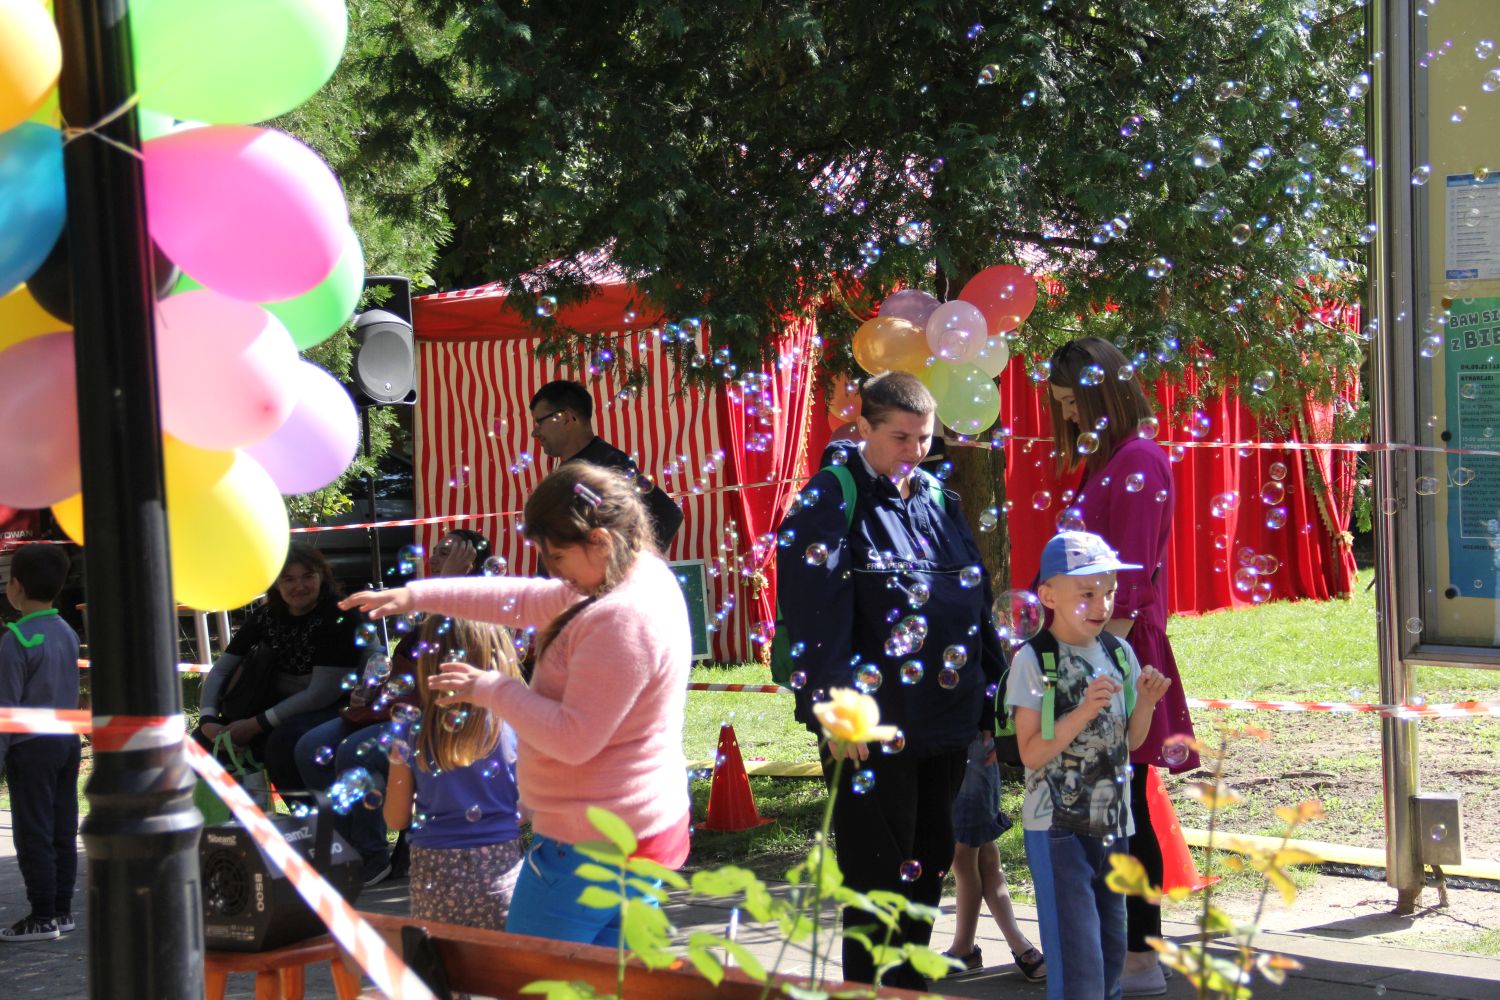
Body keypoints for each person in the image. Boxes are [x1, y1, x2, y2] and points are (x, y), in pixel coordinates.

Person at [341, 461, 692, 946]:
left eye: (557, 555)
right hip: (635, 827)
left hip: (591, 842)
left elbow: (573, 739)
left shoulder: (620, 618)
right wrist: (415, 596)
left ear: (601, 541)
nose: (550, 569)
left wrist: (492, 689)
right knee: (614, 981)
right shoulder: (633, 575)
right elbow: (523, 598)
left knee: (529, 976)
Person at [775, 371, 1004, 990]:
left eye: (924, 438)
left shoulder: (936, 496)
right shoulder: (831, 498)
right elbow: (812, 616)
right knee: (876, 876)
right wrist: (835, 711)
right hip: (871, 724)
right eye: (900, 437)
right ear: (864, 428)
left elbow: (972, 601)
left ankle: (910, 985)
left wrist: (987, 708)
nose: (914, 450)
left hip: (944, 719)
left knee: (928, 863)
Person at [1047, 336, 1199, 996]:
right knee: (1111, 806)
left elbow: (1128, 583)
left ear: (1100, 393)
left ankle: (1143, 955)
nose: (1070, 419)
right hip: (1096, 648)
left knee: (1129, 802)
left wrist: (1091, 664)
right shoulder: (1114, 458)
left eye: (1072, 405)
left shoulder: (1138, 459)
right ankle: (1123, 947)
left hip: (1117, 650)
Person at [1008, 531, 1171, 1000]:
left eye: (1109, 591)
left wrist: (1147, 705)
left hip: (1113, 821)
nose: (1102, 604)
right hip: (1057, 826)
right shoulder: (1034, 660)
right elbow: (1030, 753)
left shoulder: (1119, 653)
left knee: (1110, 955)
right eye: (1086, 593)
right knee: (1078, 961)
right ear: (1048, 596)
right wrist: (1080, 712)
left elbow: (1130, 742)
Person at [293, 528, 495, 886]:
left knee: (356, 752)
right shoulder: (433, 598)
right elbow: (404, 664)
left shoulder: (480, 600)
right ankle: (343, 850)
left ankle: (370, 857)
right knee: (309, 747)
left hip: (440, 716)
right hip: (396, 706)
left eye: (448, 552)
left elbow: (446, 645)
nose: (435, 557)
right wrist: (370, 692)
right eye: (436, 550)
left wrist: (450, 580)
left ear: (470, 562)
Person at [383, 615, 525, 931]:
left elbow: (396, 819)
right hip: (499, 875)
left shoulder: (410, 731)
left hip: (433, 881)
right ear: (497, 655)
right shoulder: (516, 723)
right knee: (500, 972)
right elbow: (527, 811)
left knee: (445, 969)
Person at [196, 546, 361, 792]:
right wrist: (208, 721)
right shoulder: (265, 615)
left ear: (322, 577)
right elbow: (221, 670)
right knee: (200, 744)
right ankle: (230, 824)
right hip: (273, 709)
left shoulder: (339, 614)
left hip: (336, 706)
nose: (299, 586)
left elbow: (321, 693)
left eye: (308, 576)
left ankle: (311, 825)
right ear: (275, 584)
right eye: (288, 579)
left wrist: (253, 726)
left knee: (282, 744)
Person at [0, 543, 81, 942]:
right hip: (66, 742)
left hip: (30, 749)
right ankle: (62, 911)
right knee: (62, 828)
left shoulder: (17, 637)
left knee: (32, 831)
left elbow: (6, 708)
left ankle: (41, 916)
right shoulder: (66, 631)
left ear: (14, 586)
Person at [940, 730, 1046, 982]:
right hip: (969, 747)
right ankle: (973, 949)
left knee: (966, 854)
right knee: (983, 851)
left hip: (967, 748)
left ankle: (978, 949)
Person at [529, 379, 684, 550]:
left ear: (566, 418)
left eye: (539, 422)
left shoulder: (607, 462)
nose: (534, 433)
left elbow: (668, 515)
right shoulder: (576, 465)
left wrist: (622, 568)